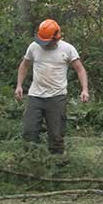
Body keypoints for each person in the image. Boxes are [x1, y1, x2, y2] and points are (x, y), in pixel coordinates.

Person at [15, 19, 89, 155]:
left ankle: (57, 166)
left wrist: (84, 89)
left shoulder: (67, 49)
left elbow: (80, 69)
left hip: (57, 97)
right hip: (35, 96)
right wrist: (19, 85)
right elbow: (24, 65)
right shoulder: (33, 47)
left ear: (56, 37)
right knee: (29, 131)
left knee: (56, 135)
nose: (44, 44)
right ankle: (29, 164)